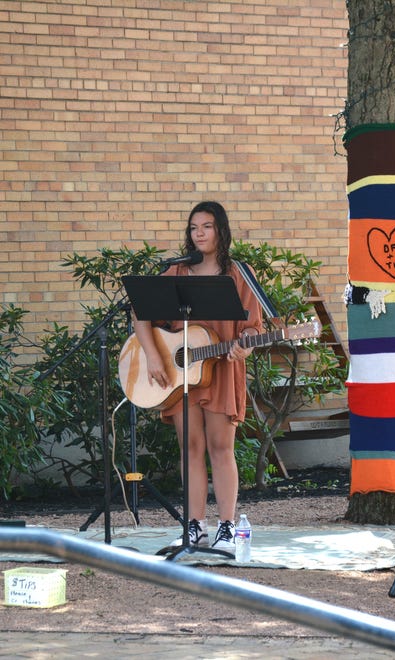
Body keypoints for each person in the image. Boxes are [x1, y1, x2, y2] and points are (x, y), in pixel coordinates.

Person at [133, 201, 263, 551]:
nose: (200, 233)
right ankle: (194, 527)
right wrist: (153, 356)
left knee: (221, 448)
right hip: (181, 377)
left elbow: (253, 328)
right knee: (190, 448)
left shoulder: (239, 273)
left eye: (206, 226)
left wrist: (246, 346)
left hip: (221, 370)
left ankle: (226, 527)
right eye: (194, 227)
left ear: (221, 229)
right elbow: (140, 311)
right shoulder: (177, 273)